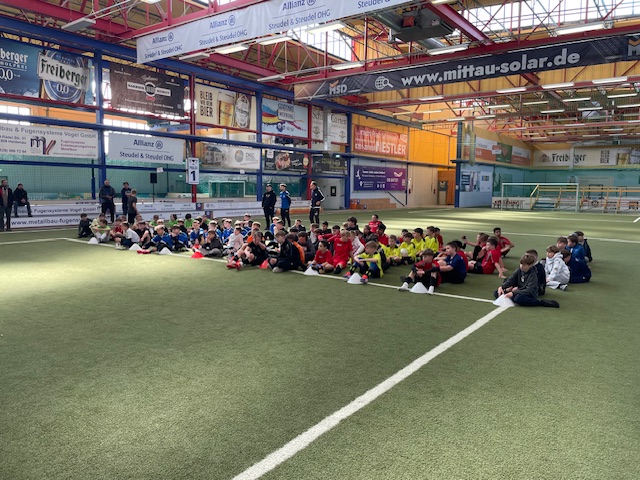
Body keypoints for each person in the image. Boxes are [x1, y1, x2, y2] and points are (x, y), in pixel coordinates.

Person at [495, 254, 559, 307]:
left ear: (530, 265)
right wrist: (502, 287)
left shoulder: (533, 275)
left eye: (524, 265)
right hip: (519, 290)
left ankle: (542, 303)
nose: (521, 266)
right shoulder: (519, 270)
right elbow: (511, 280)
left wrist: (513, 293)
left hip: (529, 294)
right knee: (497, 292)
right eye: (521, 264)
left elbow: (528, 290)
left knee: (518, 299)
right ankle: (511, 297)